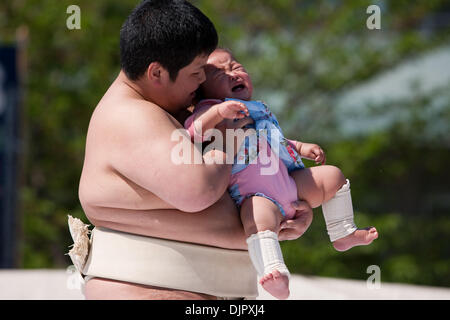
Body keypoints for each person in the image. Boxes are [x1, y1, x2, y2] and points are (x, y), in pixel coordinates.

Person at [74, 0, 313, 300]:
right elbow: (196, 190)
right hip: (151, 291)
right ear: (157, 73)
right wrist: (226, 137)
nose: (203, 80)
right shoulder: (129, 116)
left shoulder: (171, 108)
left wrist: (287, 209)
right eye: (197, 71)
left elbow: (245, 180)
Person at [183, 48, 379, 299]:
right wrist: (218, 113)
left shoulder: (257, 109)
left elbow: (274, 138)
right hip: (256, 195)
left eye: (236, 66)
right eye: (219, 73)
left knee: (333, 176)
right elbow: (193, 131)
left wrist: (300, 147)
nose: (232, 74)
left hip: (290, 182)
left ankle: (343, 232)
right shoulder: (209, 108)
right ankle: (274, 272)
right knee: (259, 221)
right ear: (202, 89)